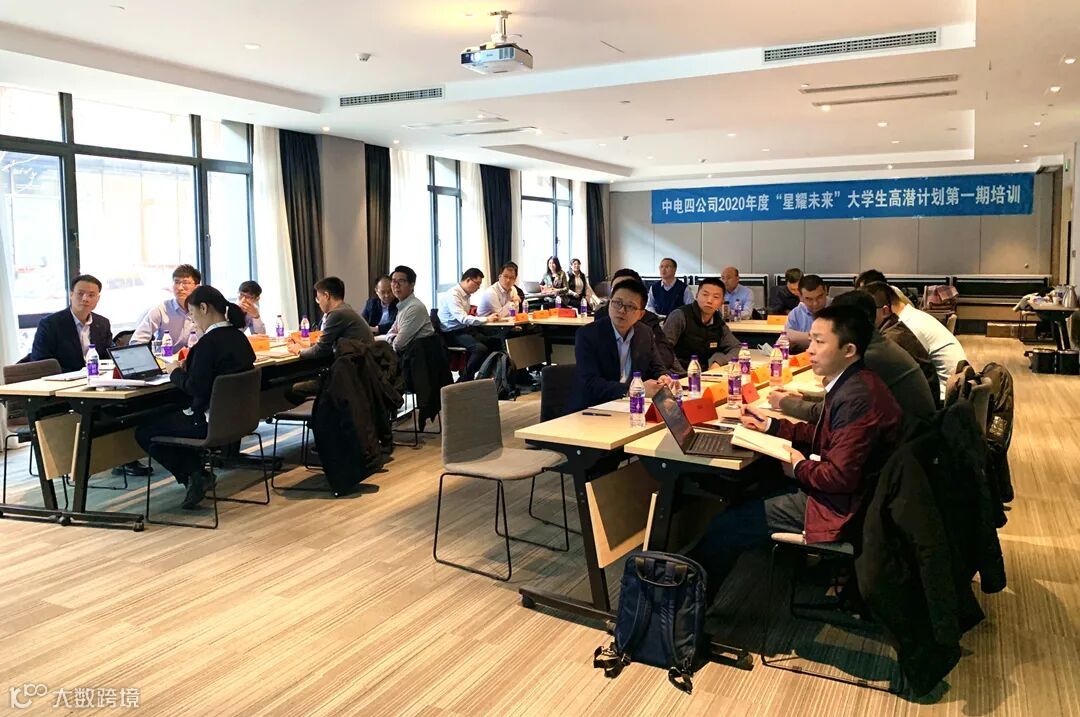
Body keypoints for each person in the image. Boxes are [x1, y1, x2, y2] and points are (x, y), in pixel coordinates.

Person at [687, 305, 903, 603]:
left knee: (726, 526)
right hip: (853, 494)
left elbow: (839, 478)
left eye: (820, 342)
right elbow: (825, 436)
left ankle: (688, 607)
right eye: (810, 340)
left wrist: (798, 466)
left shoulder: (856, 396)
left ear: (849, 350)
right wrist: (771, 425)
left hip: (844, 506)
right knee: (752, 487)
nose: (810, 349)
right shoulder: (856, 381)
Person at [134, 286, 256, 509]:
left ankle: (195, 474)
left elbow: (194, 387)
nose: (192, 319)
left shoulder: (208, 344)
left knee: (145, 431)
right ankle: (198, 474)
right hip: (237, 419)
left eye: (192, 313)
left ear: (204, 308)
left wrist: (174, 371)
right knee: (168, 417)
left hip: (209, 423)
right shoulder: (239, 337)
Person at [769, 291, 935, 429]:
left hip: (905, 444)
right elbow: (840, 399)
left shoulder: (869, 357)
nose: (810, 350)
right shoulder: (875, 343)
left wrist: (784, 402)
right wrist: (804, 397)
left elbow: (832, 412)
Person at [570, 279, 672, 411]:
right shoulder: (587, 335)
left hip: (631, 407)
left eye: (630, 306)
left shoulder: (645, 333)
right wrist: (633, 390)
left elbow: (658, 368)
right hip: (593, 409)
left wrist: (663, 378)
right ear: (609, 303)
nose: (622, 310)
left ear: (641, 314)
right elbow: (590, 383)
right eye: (617, 303)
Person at [864, 281, 967, 401]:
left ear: (885, 309)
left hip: (943, 396)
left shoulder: (907, 326)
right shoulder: (914, 316)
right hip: (948, 388)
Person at [595, 269, 676, 371]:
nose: (622, 310)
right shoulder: (602, 314)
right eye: (617, 288)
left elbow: (665, 356)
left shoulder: (648, 319)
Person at [30, 274, 113, 373]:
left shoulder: (103, 323)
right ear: (71, 295)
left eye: (91, 295)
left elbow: (109, 357)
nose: (85, 299)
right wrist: (79, 374)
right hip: (64, 379)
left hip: (97, 378)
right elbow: (41, 363)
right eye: (80, 294)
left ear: (98, 299)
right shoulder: (50, 324)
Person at [662, 277, 740, 372]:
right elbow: (664, 349)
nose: (709, 300)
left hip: (706, 374)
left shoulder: (718, 321)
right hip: (678, 375)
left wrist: (719, 362)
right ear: (696, 295)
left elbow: (737, 348)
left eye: (716, 297)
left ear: (722, 302)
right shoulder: (680, 315)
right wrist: (684, 374)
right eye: (705, 295)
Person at [437, 268, 502, 381]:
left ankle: (485, 376)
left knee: (495, 342)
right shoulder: (454, 295)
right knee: (480, 349)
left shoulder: (466, 295)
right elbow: (463, 318)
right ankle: (464, 380)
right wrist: (486, 319)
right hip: (451, 333)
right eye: (477, 283)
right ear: (468, 280)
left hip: (464, 330)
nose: (478, 287)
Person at [286, 276, 372, 359]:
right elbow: (326, 343)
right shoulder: (345, 308)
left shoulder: (337, 314)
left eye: (318, 298)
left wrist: (299, 351)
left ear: (326, 296)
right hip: (362, 359)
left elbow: (321, 350)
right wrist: (304, 344)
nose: (319, 303)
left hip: (357, 363)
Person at [132, 264, 203, 349]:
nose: (180, 288)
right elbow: (136, 342)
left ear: (196, 287)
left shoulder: (203, 311)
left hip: (195, 357)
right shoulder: (161, 310)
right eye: (176, 282)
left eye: (185, 283)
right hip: (166, 357)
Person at [381, 265, 435, 354]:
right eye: (393, 281)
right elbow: (390, 333)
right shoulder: (403, 306)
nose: (396, 285)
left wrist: (392, 337)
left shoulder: (415, 308)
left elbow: (398, 345)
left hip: (418, 359)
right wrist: (393, 337)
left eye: (401, 281)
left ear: (412, 285)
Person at [785, 274, 829, 352]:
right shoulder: (796, 313)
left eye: (819, 297)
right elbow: (784, 340)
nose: (815, 303)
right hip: (802, 357)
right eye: (809, 299)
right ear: (800, 296)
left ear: (825, 290)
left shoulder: (838, 307)